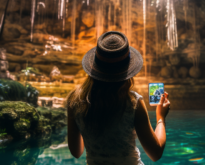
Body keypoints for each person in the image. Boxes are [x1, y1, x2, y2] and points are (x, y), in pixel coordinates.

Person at [67, 31, 171, 165]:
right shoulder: (133, 103)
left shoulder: (74, 102)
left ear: (94, 67)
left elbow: (76, 152)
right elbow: (155, 153)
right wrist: (160, 118)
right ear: (128, 71)